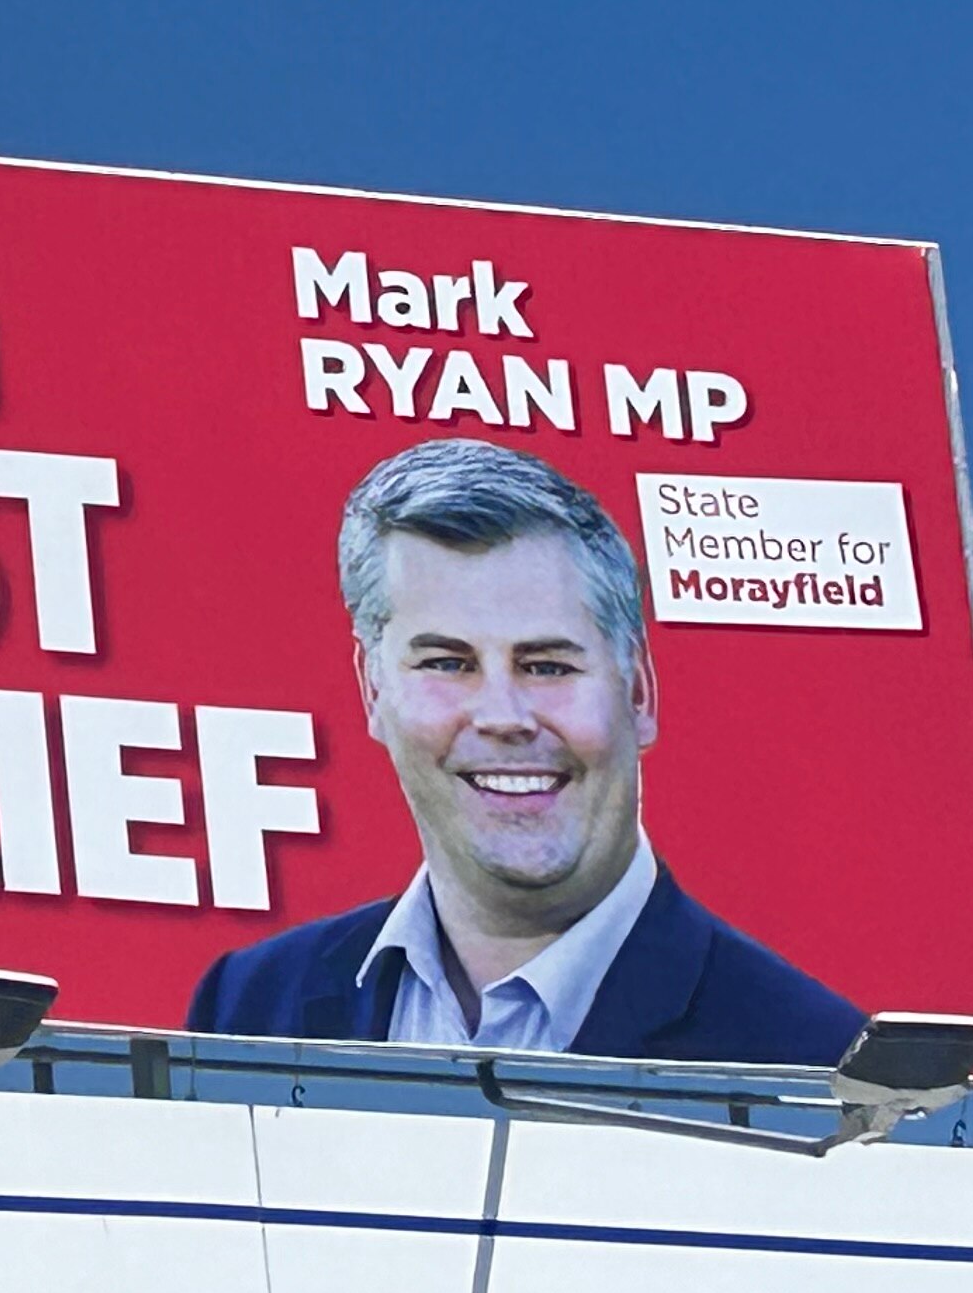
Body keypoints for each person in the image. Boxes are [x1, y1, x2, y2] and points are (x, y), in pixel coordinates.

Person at [187, 436, 855, 1066]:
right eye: (448, 664)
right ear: (373, 691)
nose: (504, 717)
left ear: (640, 693)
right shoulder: (248, 1008)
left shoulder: (815, 1060)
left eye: (548, 666)